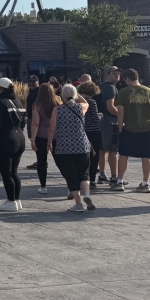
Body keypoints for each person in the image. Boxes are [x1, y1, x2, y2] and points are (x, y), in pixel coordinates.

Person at [48, 84, 96, 212]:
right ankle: (87, 194)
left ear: (62, 96)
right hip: (82, 144)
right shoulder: (81, 107)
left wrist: (49, 143)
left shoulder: (57, 110)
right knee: (84, 173)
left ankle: (78, 204)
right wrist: (76, 95)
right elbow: (86, 102)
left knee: (71, 175)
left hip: (64, 147)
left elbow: (52, 129)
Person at [112, 68, 150, 194]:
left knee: (123, 154)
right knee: (146, 156)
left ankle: (120, 181)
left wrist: (120, 127)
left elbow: (120, 111)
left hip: (129, 127)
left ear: (127, 79)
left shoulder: (124, 92)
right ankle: (145, 183)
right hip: (148, 127)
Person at [0, 77, 26, 211]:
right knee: (14, 171)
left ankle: (10, 201)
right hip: (19, 138)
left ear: (0, 88)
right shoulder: (18, 102)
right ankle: (16, 199)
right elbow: (23, 122)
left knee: (6, 172)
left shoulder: (0, 103)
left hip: (6, 138)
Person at [29, 83, 60, 195]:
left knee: (42, 162)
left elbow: (36, 123)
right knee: (60, 161)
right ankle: (71, 184)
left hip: (41, 136)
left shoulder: (37, 105)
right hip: (56, 135)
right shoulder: (58, 102)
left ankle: (43, 186)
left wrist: (32, 139)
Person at [97, 67, 122, 186]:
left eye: (118, 73)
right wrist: (121, 116)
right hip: (110, 121)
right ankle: (114, 176)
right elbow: (110, 107)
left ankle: (102, 174)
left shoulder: (101, 86)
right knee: (113, 150)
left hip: (101, 121)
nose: (118, 75)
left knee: (103, 149)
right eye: (114, 73)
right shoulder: (110, 87)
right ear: (107, 75)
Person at [76, 81, 104, 188]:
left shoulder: (77, 102)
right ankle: (91, 179)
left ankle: (82, 178)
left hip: (82, 131)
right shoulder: (92, 102)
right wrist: (100, 115)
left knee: (83, 156)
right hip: (94, 131)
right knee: (94, 156)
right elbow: (95, 119)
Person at [24, 75, 41, 169]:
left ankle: (41, 160)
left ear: (37, 81)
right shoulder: (31, 91)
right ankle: (39, 159)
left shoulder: (40, 91)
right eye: (30, 81)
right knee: (32, 138)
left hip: (36, 117)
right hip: (30, 116)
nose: (31, 83)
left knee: (36, 138)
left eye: (33, 81)